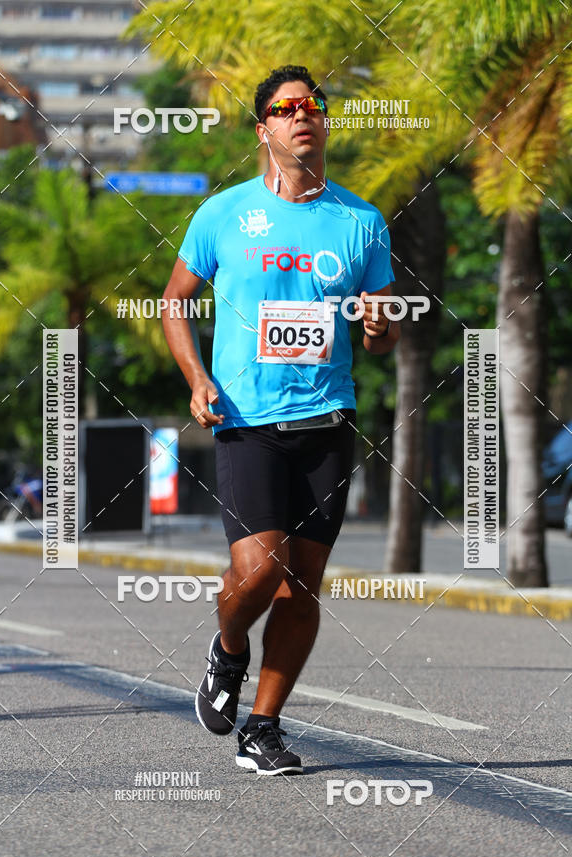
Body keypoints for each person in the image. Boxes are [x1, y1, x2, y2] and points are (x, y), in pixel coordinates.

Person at [161, 64, 399, 775]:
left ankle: (262, 727)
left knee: (302, 588)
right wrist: (197, 377)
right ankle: (228, 647)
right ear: (263, 128)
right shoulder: (224, 214)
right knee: (259, 571)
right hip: (247, 417)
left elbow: (379, 325)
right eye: (287, 108)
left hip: (328, 420)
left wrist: (380, 324)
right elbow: (174, 301)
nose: (304, 115)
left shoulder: (361, 221)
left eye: (314, 106)